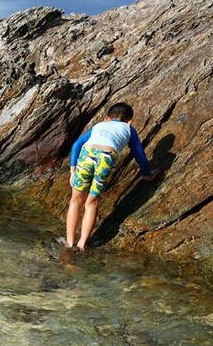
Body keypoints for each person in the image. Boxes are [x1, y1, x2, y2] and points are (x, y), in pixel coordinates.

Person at [65, 102, 159, 251]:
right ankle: (82, 245)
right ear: (130, 121)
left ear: (107, 117)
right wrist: (147, 174)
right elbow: (139, 153)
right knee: (92, 202)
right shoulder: (129, 129)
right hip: (106, 157)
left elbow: (77, 145)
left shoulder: (99, 125)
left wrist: (72, 171)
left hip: (87, 153)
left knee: (75, 201)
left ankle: (69, 244)